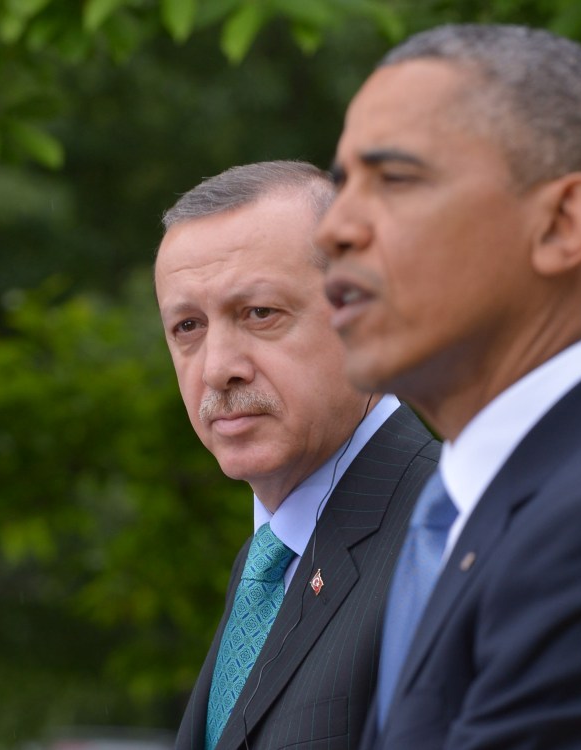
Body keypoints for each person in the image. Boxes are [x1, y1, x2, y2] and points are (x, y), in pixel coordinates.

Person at [315, 23, 581, 750]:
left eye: (395, 179)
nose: (334, 230)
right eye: (340, 184)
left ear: (562, 224)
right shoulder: (475, 512)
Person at [154, 160, 440, 750]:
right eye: (188, 326)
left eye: (260, 313)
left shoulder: (456, 535)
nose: (217, 368)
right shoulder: (269, 561)